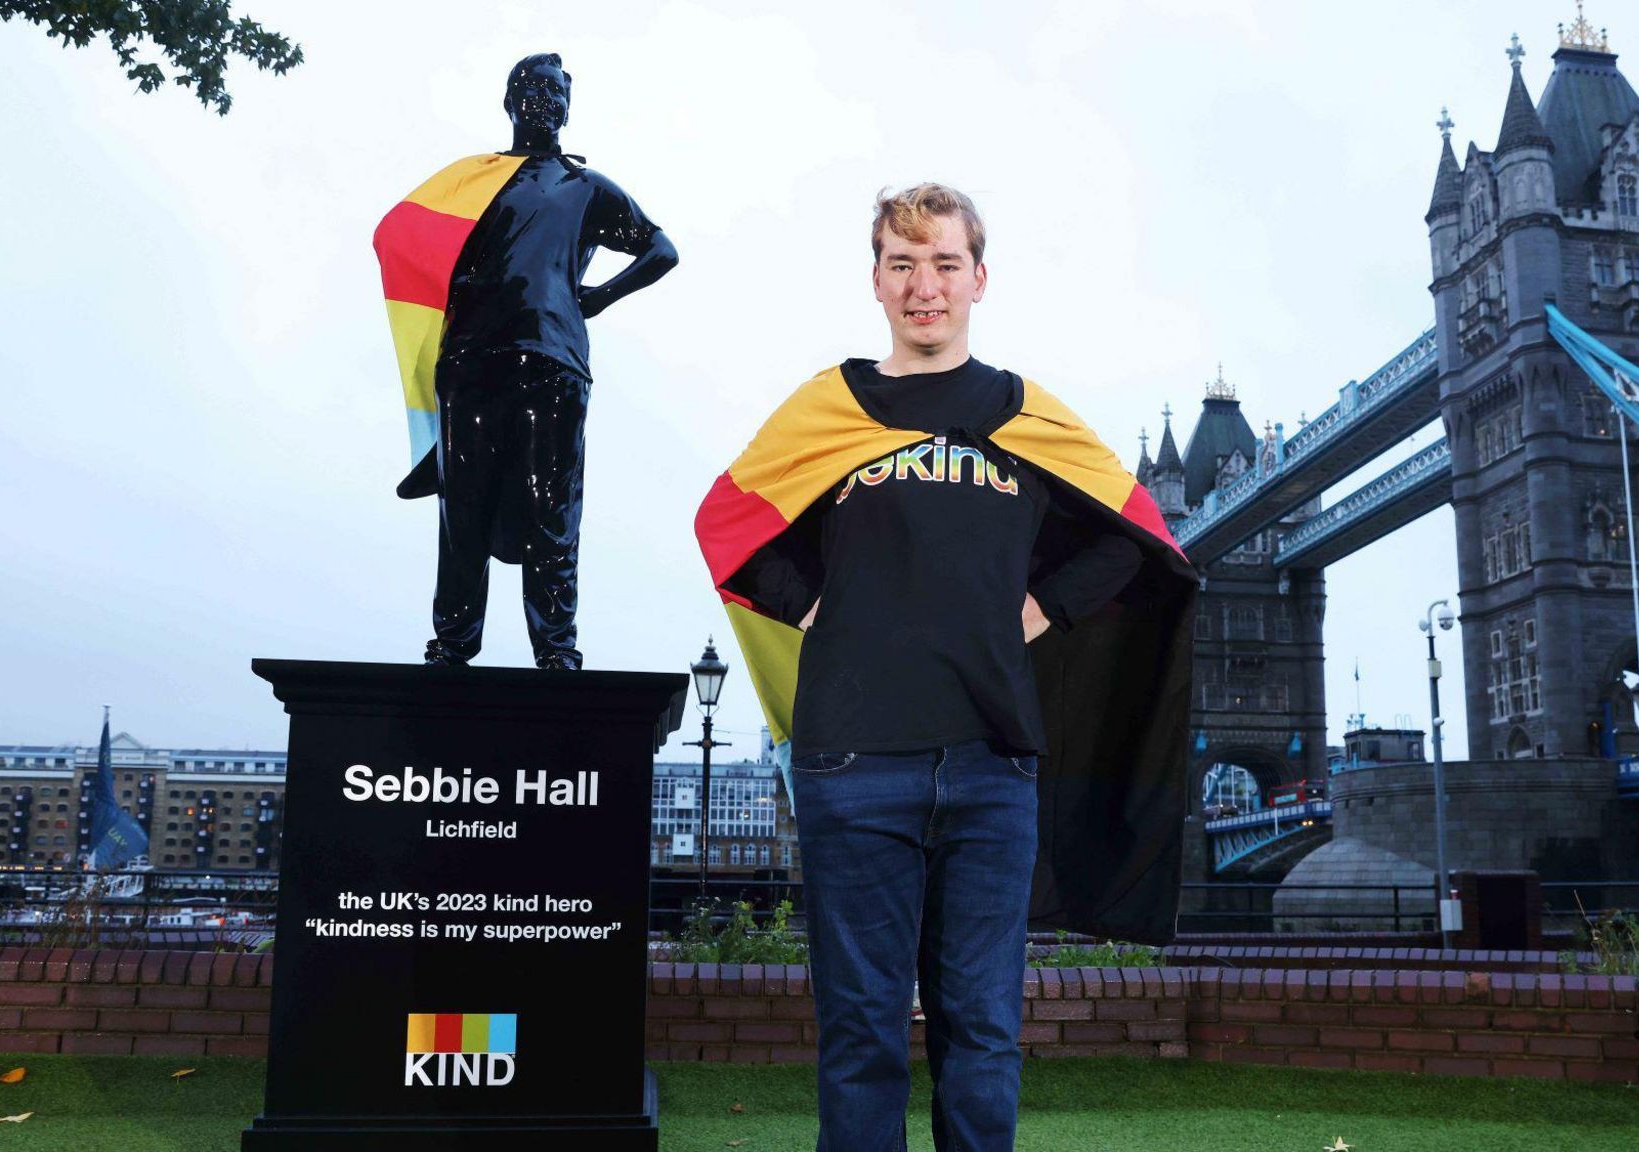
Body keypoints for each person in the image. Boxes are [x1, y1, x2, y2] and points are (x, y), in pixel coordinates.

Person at [695, 184, 1198, 1151]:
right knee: (861, 1031)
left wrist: (1042, 609)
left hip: (992, 763)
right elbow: (729, 521)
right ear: (876, 282)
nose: (924, 286)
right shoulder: (830, 407)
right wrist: (819, 611)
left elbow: (1134, 535)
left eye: (944, 264)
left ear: (979, 278)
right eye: (902, 264)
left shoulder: (1025, 414)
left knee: (983, 1033)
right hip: (853, 764)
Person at [372, 52, 677, 670]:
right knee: (464, 508)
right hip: (471, 360)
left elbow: (660, 249)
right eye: (536, 90)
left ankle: (556, 649)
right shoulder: (471, 184)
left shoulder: (584, 187)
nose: (548, 101)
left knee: (552, 508)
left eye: (558, 92)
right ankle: (453, 644)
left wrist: (597, 297)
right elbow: (402, 236)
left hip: (554, 360)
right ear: (510, 103)